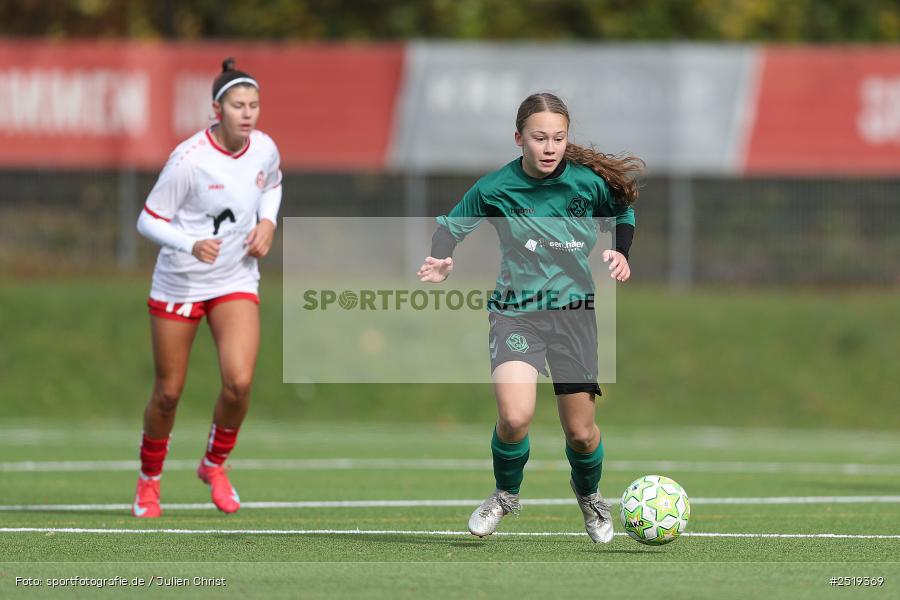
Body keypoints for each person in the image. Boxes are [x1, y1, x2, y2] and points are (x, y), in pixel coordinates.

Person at [417, 92, 642, 542]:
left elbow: (623, 211)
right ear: (519, 137)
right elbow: (451, 227)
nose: (549, 146)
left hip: (574, 315)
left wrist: (621, 250)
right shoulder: (496, 186)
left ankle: (590, 497)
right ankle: (505, 494)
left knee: (580, 432)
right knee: (515, 417)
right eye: (539, 137)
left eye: (558, 137)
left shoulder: (586, 184)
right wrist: (441, 258)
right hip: (515, 313)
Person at [131, 58, 282, 518]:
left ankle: (214, 465)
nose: (248, 113)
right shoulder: (189, 160)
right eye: (238, 105)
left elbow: (272, 184)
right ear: (217, 108)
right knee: (169, 392)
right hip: (180, 281)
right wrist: (189, 242)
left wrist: (268, 222)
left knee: (238, 383)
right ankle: (149, 481)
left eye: (254, 105)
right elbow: (147, 220)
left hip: (234, 278)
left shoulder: (264, 148)